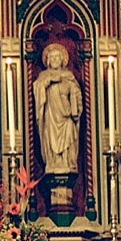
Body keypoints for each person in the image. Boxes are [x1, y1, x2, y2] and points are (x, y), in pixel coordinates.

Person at [32, 43, 83, 175]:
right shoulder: (43, 76)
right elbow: (37, 89)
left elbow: (76, 94)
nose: (55, 60)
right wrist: (47, 82)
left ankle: (67, 162)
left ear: (63, 60)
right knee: (50, 140)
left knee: (69, 139)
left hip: (66, 117)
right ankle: (53, 161)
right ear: (47, 61)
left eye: (57, 57)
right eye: (52, 57)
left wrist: (75, 108)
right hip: (51, 117)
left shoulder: (69, 76)